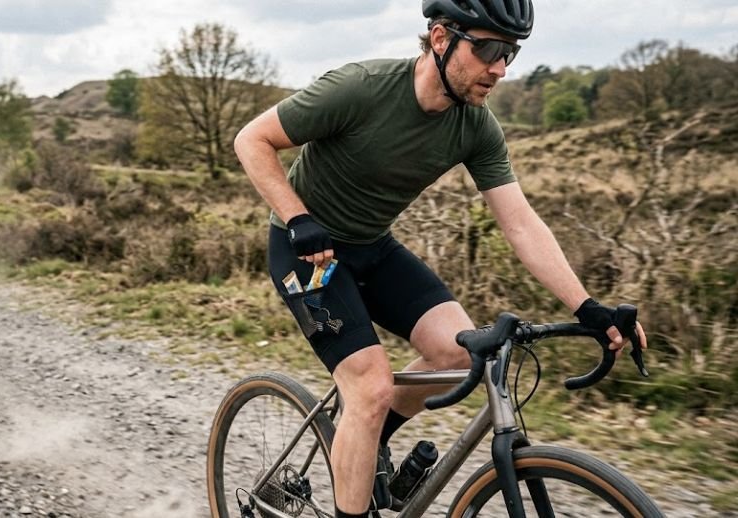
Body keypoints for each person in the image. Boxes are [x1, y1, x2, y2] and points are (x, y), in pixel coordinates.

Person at [234, 1, 648, 517]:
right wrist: (298, 217)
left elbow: (520, 222)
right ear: (438, 38)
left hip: (372, 246)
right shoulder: (361, 87)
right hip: (308, 252)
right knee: (370, 386)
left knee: (457, 356)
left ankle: (368, 438)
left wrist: (586, 305)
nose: (500, 68)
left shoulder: (476, 126)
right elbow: (252, 139)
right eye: (489, 49)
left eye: (510, 53)